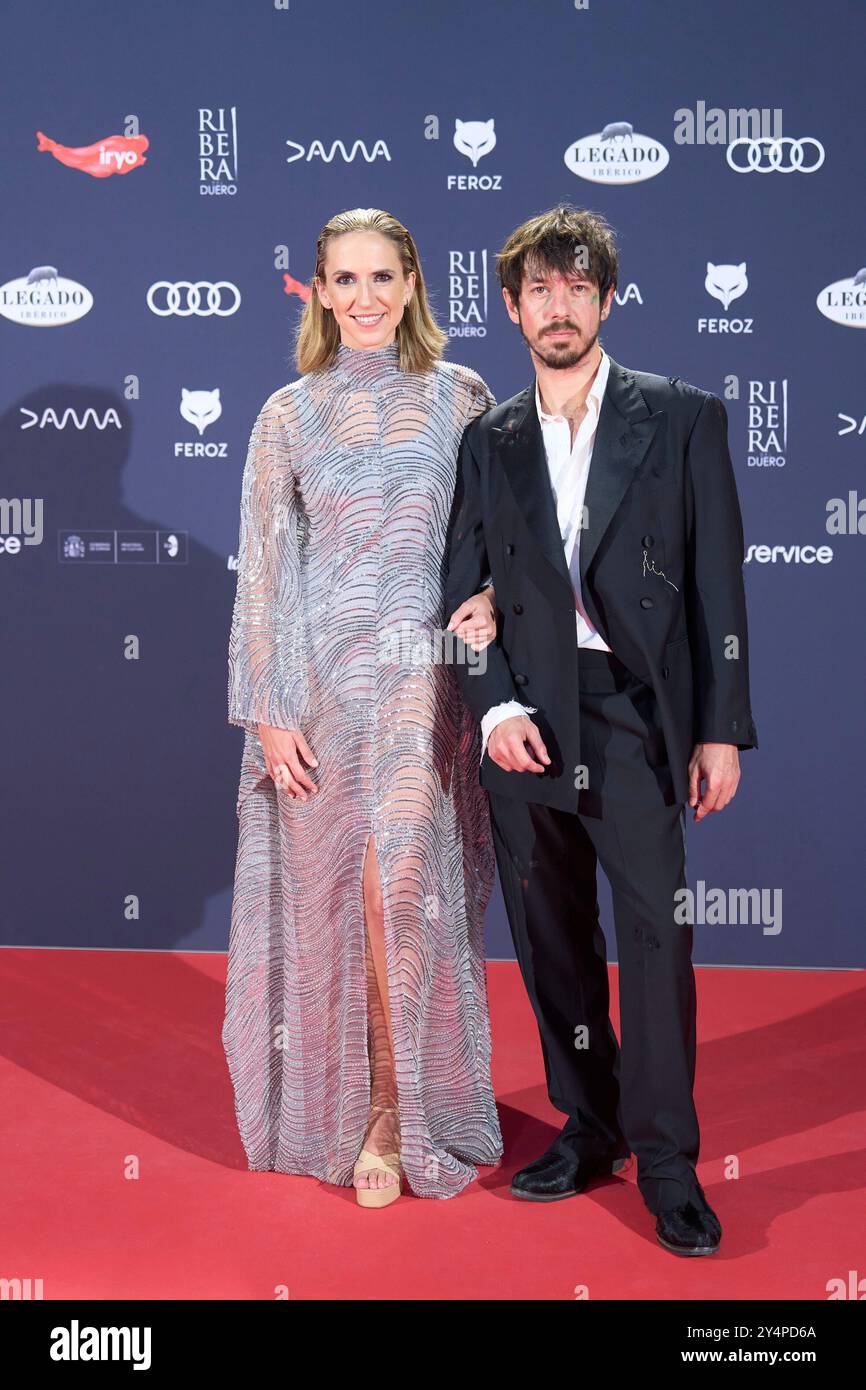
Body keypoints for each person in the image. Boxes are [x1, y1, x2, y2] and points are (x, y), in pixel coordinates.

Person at [444, 204, 758, 1255]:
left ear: (606, 298)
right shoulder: (485, 440)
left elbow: (718, 587)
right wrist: (489, 704)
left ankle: (667, 1164)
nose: (558, 306)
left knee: (657, 943)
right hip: (524, 720)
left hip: (632, 716)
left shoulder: (679, 417)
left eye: (577, 287)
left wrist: (718, 732)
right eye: (538, 289)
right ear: (510, 306)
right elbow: (458, 591)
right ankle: (588, 1128)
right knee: (550, 941)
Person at [223, 207, 502, 1207]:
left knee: (403, 899)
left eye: (383, 277)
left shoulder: (461, 399)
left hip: (425, 693)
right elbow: (264, 574)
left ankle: (396, 1112)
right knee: (335, 906)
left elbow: (506, 535)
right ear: (317, 291)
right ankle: (347, 1106)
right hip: (323, 699)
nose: (365, 298)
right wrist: (268, 710)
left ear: (413, 283)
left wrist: (496, 597)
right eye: (344, 279)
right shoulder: (284, 415)